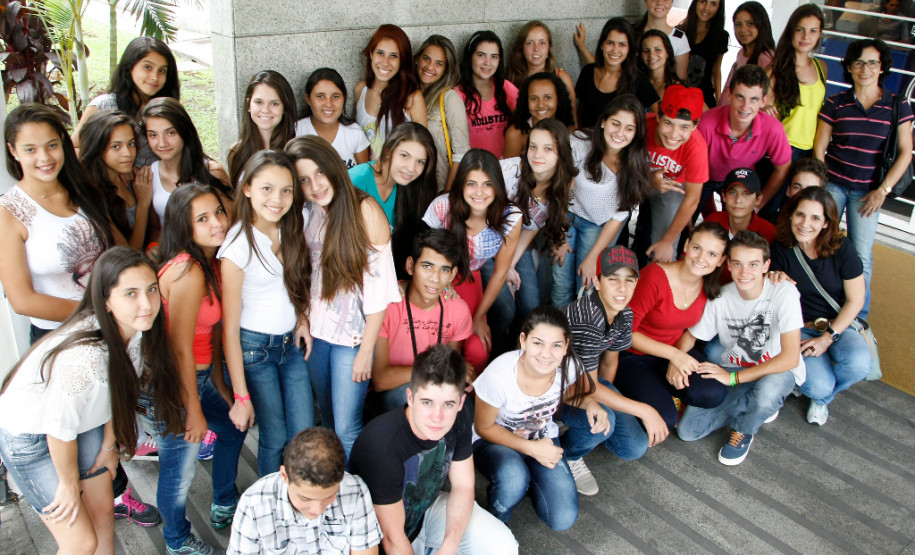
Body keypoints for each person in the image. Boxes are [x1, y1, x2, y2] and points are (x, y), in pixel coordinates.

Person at [0, 247, 176, 554]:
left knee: (102, 517)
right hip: (32, 436)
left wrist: (110, 447)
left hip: (79, 424)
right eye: (130, 293)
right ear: (106, 301)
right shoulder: (86, 360)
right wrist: (69, 485)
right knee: (81, 543)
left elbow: (118, 394)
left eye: (151, 289)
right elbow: (59, 430)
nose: (147, 304)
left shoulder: (136, 330)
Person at [287, 135, 401, 459]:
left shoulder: (365, 210)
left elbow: (379, 293)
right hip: (315, 335)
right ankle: (330, 489)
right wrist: (302, 321)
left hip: (352, 339)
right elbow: (300, 273)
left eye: (320, 172)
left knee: (347, 428)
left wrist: (367, 351)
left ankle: (353, 499)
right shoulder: (306, 212)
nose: (315, 185)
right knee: (327, 417)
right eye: (304, 180)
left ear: (334, 166)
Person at [350, 345, 518, 554]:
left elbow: (463, 486)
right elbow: (392, 540)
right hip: (382, 541)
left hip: (424, 515)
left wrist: (450, 544)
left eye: (448, 404)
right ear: (410, 397)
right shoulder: (381, 447)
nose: (437, 417)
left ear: (461, 402)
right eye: (427, 402)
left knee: (504, 545)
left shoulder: (458, 417)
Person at [156, 183, 248, 551]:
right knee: (178, 473)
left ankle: (224, 501)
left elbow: (205, 336)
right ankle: (177, 540)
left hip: (198, 375)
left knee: (232, 425)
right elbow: (178, 349)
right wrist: (193, 410)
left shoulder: (211, 261)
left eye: (219, 212)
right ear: (184, 226)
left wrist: (222, 388)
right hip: (174, 383)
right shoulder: (188, 271)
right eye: (203, 218)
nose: (217, 223)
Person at [218, 150, 313, 476]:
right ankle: (272, 505)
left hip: (289, 346)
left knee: (304, 432)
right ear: (247, 189)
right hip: (254, 350)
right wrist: (241, 397)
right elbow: (229, 330)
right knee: (275, 437)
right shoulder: (238, 246)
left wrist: (301, 319)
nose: (278, 199)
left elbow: (293, 282)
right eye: (267, 189)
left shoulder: (288, 227)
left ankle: (301, 496)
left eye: (286, 190)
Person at [676, 231, 805, 465]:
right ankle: (756, 404)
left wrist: (733, 379)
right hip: (736, 368)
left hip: (776, 371)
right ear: (729, 265)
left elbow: (790, 358)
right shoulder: (721, 297)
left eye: (753, 264)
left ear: (766, 265)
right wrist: (674, 362)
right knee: (688, 431)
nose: (745, 273)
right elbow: (691, 336)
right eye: (738, 264)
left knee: (768, 392)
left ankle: (745, 428)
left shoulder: (784, 292)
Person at [473, 306, 604, 531]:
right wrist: (531, 449)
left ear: (566, 346)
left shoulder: (569, 366)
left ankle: (530, 481)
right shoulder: (498, 375)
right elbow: (483, 427)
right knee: (513, 477)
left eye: (556, 345)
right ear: (523, 340)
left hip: (542, 437)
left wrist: (590, 402)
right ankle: (498, 514)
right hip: (494, 440)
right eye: (538, 343)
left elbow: (570, 392)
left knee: (562, 518)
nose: (546, 353)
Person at [814, 38, 913, 319]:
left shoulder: (897, 105)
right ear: (849, 67)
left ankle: (857, 317)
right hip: (833, 184)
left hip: (868, 193)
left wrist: (883, 190)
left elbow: (906, 152)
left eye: (872, 62)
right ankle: (820, 306)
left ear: (882, 67)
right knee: (821, 244)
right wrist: (822, 186)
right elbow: (820, 148)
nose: (865, 68)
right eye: (858, 62)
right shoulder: (836, 103)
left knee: (862, 257)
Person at [558, 246, 668, 496]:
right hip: (552, 391)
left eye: (629, 281)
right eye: (612, 279)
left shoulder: (624, 313)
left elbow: (609, 362)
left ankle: (581, 428)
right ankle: (569, 453)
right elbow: (588, 386)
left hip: (584, 383)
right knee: (606, 419)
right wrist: (644, 409)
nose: (622, 288)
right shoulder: (587, 318)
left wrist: (605, 397)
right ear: (597, 282)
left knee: (634, 447)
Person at [0, 103, 114, 339]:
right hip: (59, 338)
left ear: (62, 141)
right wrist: (99, 311)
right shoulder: (9, 212)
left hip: (113, 328)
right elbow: (22, 301)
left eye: (51, 145)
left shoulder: (82, 189)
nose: (44, 157)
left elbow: (117, 249)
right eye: (30, 149)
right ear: (13, 151)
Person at [769, 187, 872, 426]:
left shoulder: (842, 247)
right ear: (791, 215)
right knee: (818, 385)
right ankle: (819, 391)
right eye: (800, 214)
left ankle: (821, 398)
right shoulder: (781, 247)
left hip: (838, 324)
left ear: (827, 222)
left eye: (816, 217)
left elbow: (856, 300)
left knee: (859, 363)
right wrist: (774, 278)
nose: (806, 223)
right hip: (801, 328)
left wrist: (827, 338)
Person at [614, 221, 729, 429]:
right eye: (697, 248)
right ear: (686, 246)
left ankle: (663, 390)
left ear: (721, 261)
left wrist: (677, 357)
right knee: (665, 418)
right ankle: (626, 394)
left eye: (712, 254)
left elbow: (694, 332)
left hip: (674, 351)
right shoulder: (655, 276)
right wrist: (674, 356)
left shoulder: (709, 285)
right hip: (632, 355)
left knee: (713, 392)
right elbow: (625, 332)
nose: (702, 258)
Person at [422, 149, 523, 368]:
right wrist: (441, 284)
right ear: (460, 185)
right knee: (441, 339)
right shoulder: (443, 206)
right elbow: (424, 254)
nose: (479, 192)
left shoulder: (510, 217)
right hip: (442, 275)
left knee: (488, 335)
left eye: (487, 184)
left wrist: (479, 316)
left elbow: (500, 272)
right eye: (471, 184)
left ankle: (489, 371)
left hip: (475, 270)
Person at [553, 95, 652, 307]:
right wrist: (560, 234)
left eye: (629, 128)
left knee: (586, 282)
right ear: (604, 121)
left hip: (599, 226)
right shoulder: (580, 142)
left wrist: (593, 258)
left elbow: (619, 216)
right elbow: (561, 188)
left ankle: (580, 333)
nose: (620, 133)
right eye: (616, 123)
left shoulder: (636, 162)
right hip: (566, 216)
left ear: (636, 133)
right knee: (560, 280)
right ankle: (557, 333)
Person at [228, 427, 382, 554]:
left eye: (329, 496)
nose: (317, 510)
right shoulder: (253, 505)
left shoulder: (355, 491)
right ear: (284, 476)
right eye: (305, 498)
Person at [371, 229, 474, 413]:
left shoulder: (458, 310)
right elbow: (380, 380)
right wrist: (434, 367)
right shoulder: (387, 305)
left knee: (466, 405)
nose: (435, 278)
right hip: (393, 397)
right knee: (414, 398)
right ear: (410, 266)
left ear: (452, 274)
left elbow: (448, 370)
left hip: (436, 395)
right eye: (427, 266)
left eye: (444, 270)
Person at [495, 118, 578, 344]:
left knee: (531, 306)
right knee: (505, 307)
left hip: (513, 246)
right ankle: (494, 352)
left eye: (548, 148)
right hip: (485, 245)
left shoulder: (561, 185)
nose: (537, 155)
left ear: (561, 152)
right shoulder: (508, 173)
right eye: (533, 146)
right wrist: (503, 268)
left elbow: (531, 229)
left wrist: (511, 264)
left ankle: (515, 353)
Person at [697, 64, 791, 218]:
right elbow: (691, 169)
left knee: (737, 227)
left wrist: (758, 204)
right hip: (705, 177)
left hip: (741, 180)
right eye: (740, 97)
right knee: (684, 222)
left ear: (763, 101)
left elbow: (783, 168)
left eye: (754, 99)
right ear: (729, 95)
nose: (745, 106)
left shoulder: (773, 128)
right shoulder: (707, 123)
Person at [348, 122, 438, 276]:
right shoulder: (357, 180)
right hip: (353, 271)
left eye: (420, 162)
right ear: (388, 152)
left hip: (390, 273)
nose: (411, 168)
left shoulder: (414, 188)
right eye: (404, 156)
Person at [140, 97, 232, 240]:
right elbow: (155, 227)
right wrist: (154, 247)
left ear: (184, 131)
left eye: (170, 133)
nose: (162, 143)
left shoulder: (211, 171)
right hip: (172, 255)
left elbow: (231, 222)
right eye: (153, 135)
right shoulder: (149, 174)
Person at [637, 84, 709, 265]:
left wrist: (668, 241)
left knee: (664, 250)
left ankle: (655, 284)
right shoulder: (642, 125)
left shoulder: (697, 147)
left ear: (695, 125)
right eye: (668, 123)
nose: (674, 134)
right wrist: (648, 180)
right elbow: (616, 167)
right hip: (634, 180)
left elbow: (692, 198)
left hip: (671, 188)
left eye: (684, 127)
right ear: (658, 115)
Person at [72, 36, 180, 151]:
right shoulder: (103, 106)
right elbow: (73, 148)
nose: (155, 77)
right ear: (130, 68)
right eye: (147, 67)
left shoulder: (168, 110)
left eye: (162, 71)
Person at [78, 110, 153, 251]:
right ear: (97, 148)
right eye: (116, 146)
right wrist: (143, 204)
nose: (127, 153)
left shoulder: (126, 176)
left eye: (131, 144)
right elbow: (128, 253)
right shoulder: (92, 194)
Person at [764, 4, 827, 161]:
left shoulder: (821, 67)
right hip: (781, 146)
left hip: (810, 150)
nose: (806, 36)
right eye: (800, 29)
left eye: (813, 31)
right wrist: (763, 107)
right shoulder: (775, 69)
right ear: (791, 31)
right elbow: (758, 106)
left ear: (819, 34)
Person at [355, 24, 427, 159]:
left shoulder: (412, 98)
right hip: (368, 177)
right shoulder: (360, 90)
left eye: (393, 56)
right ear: (371, 54)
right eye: (380, 53)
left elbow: (423, 150)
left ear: (402, 61)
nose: (385, 62)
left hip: (401, 178)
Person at [575, 18, 660, 130]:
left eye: (622, 44)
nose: (615, 50)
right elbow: (579, 112)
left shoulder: (638, 79)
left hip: (620, 144)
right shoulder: (588, 72)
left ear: (629, 48)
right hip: (587, 141)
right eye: (610, 43)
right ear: (602, 44)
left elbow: (659, 116)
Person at [415, 35, 470, 189]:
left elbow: (461, 154)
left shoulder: (449, 99)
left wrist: (446, 195)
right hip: (410, 188)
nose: (430, 67)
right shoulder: (409, 95)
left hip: (438, 188)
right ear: (417, 59)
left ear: (446, 70)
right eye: (426, 58)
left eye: (439, 64)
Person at [704, 168, 776, 283]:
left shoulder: (769, 232)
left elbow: (771, 275)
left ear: (758, 199)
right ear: (724, 196)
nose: (738, 200)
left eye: (746, 194)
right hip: (711, 289)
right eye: (733, 193)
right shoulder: (713, 220)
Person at [227, 70, 298, 186]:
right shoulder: (237, 151)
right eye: (259, 102)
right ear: (249, 104)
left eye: (274, 104)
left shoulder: (295, 151)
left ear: (285, 107)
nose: (265, 110)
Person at [456, 31, 519, 158]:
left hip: (505, 167)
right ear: (470, 57)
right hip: (474, 168)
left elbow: (526, 122)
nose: (488, 62)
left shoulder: (506, 87)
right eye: (481, 55)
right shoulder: (457, 95)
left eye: (494, 56)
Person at [296, 67, 370, 169]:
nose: (328, 104)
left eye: (335, 97)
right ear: (308, 99)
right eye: (320, 96)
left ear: (344, 98)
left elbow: (364, 176)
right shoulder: (297, 131)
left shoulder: (354, 132)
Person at [505, 21, 578, 120]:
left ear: (549, 48)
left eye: (542, 43)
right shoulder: (511, 80)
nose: (536, 48)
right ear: (522, 48)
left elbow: (573, 121)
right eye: (530, 43)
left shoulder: (562, 78)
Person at [502, 72, 575, 159]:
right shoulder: (516, 134)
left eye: (547, 97)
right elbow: (509, 170)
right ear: (526, 102)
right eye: (534, 98)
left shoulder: (569, 131)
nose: (540, 104)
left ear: (558, 100)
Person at [678, 0, 730, 108]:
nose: (706, 8)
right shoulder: (679, 32)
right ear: (695, 3)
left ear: (719, 8)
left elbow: (716, 70)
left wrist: (719, 100)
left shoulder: (721, 36)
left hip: (705, 98)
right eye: (703, 1)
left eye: (713, 4)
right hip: (680, 95)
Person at [721, 2, 775, 104]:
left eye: (750, 23)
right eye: (738, 24)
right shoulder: (741, 52)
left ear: (761, 24)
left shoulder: (766, 58)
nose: (743, 29)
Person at [636, 0, 691, 79]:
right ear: (645, 2)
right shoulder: (633, 33)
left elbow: (681, 79)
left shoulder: (679, 37)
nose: (659, 3)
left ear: (671, 3)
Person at [638, 30, 683, 102]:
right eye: (646, 50)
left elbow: (706, 112)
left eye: (658, 50)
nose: (651, 55)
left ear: (668, 53)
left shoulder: (678, 88)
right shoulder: (636, 82)